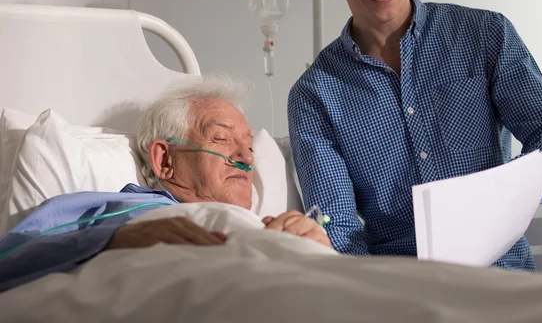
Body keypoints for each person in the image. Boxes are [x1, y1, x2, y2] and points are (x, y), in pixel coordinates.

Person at [287, 0, 542, 270]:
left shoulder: (485, 36)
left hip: (501, 278)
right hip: (402, 289)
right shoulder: (313, 96)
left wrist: (502, 194)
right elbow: (336, 227)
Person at [0, 74, 331, 292]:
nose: (245, 158)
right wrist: (114, 239)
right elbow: (11, 258)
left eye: (248, 145)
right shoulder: (108, 209)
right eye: (221, 138)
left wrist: (312, 248)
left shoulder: (266, 222)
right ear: (165, 160)